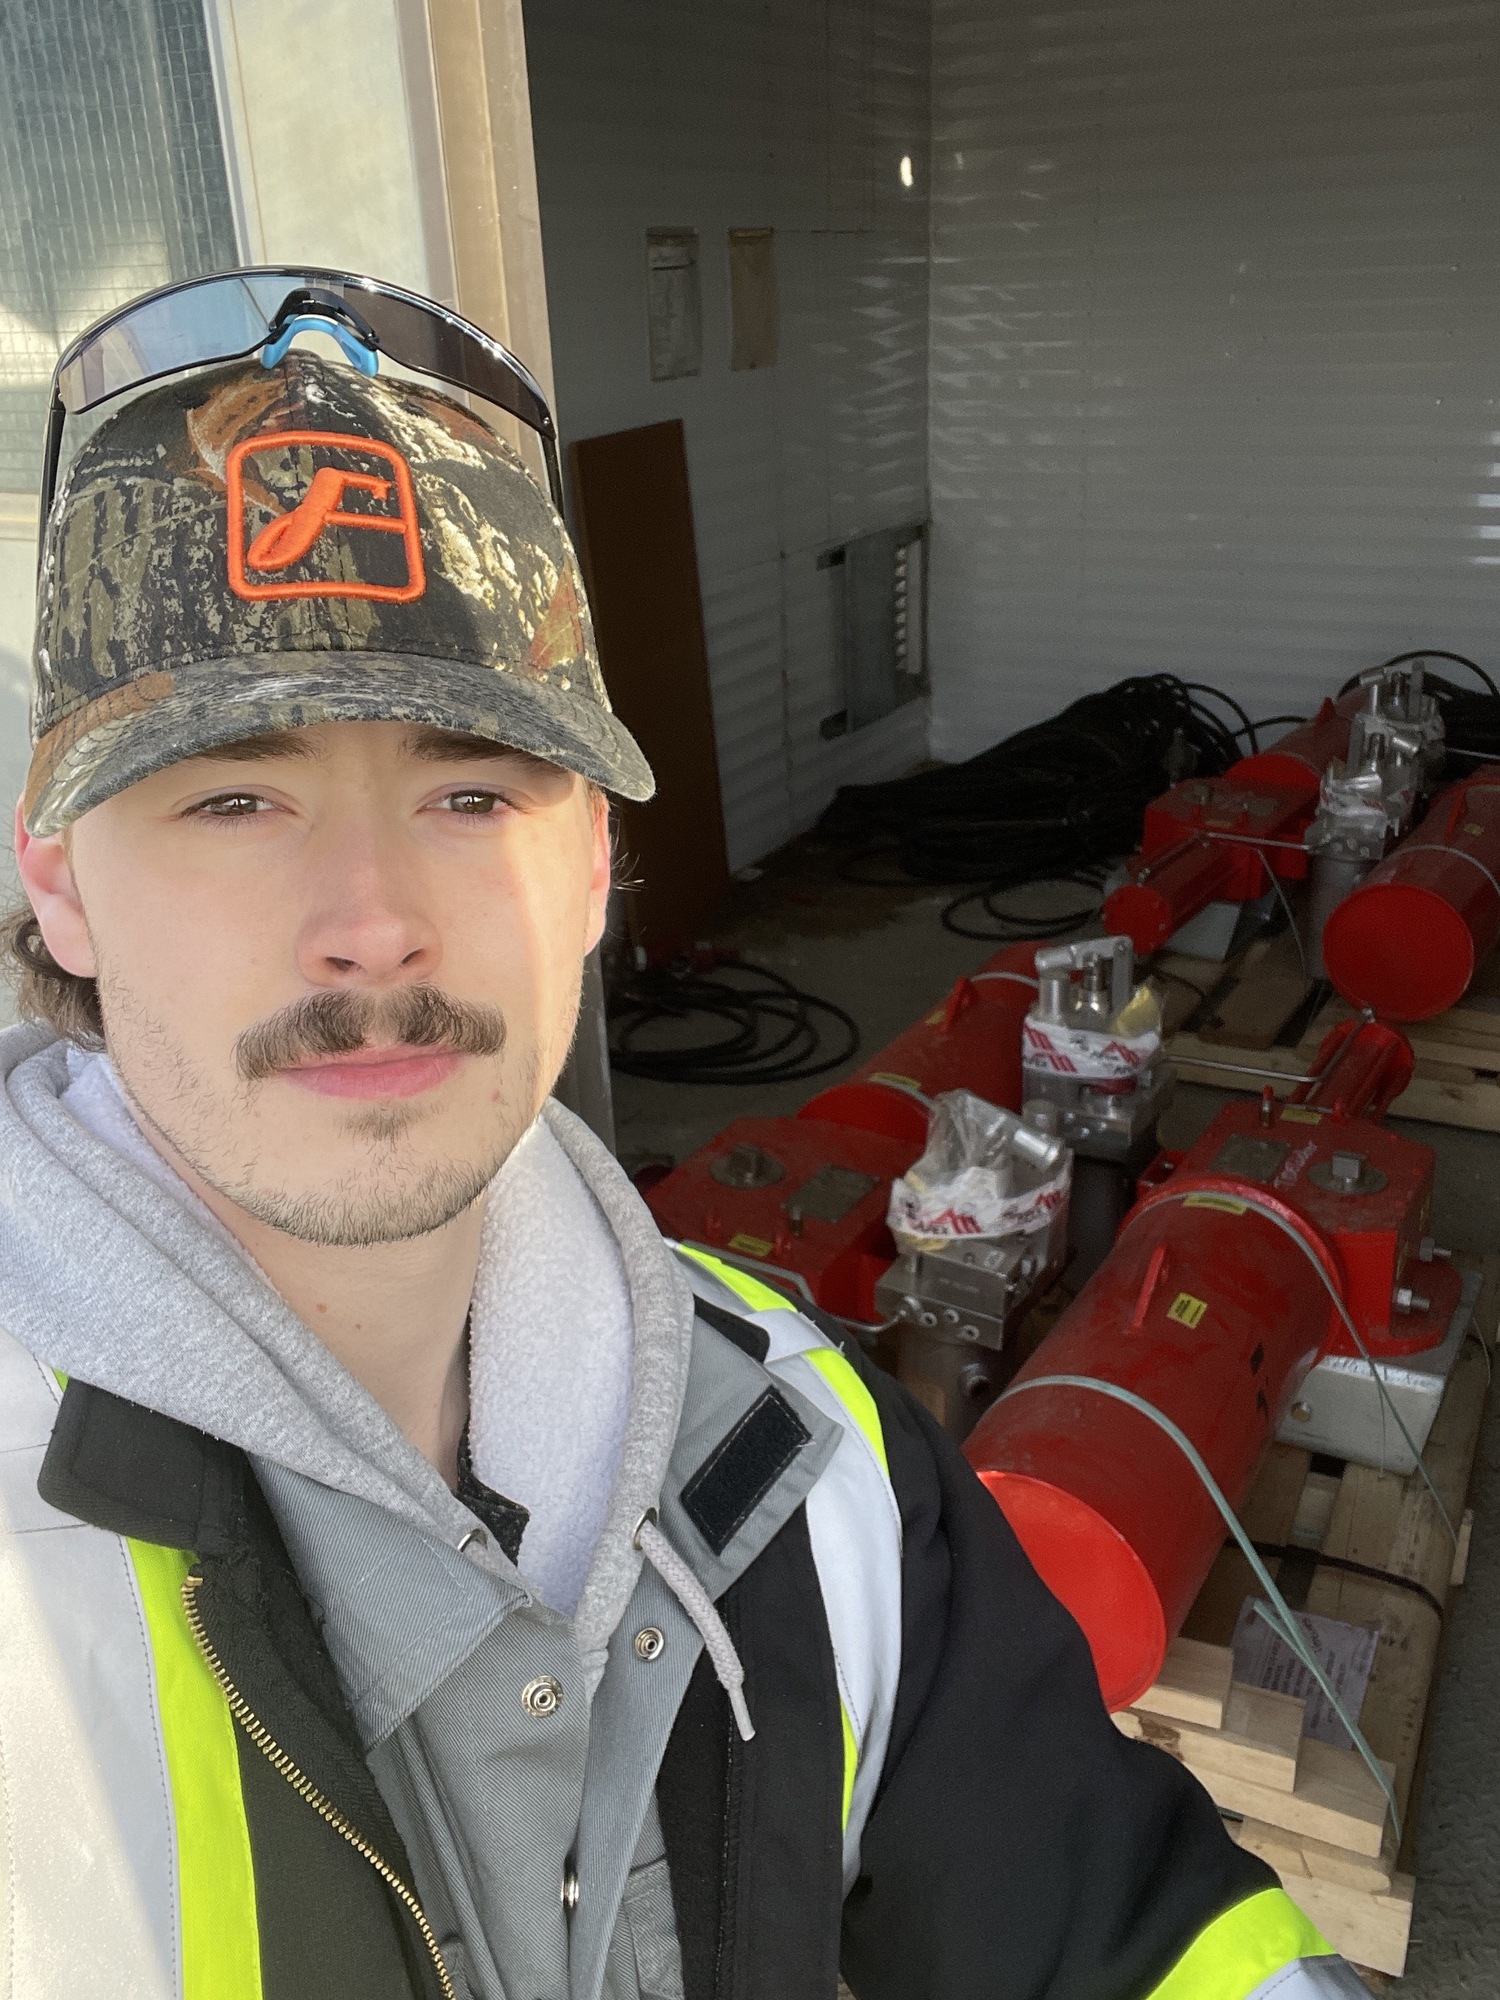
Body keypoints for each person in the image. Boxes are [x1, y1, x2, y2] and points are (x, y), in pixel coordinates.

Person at [0, 271, 1364, 2000]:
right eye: (235, 797)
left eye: (471, 790)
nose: (374, 925)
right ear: (61, 882)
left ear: (590, 869)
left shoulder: (803, 1447)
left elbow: (1139, 1933)